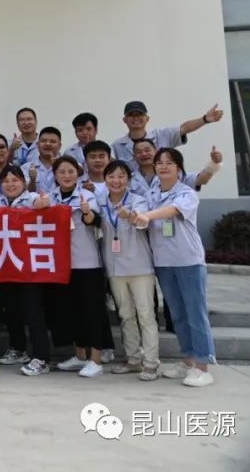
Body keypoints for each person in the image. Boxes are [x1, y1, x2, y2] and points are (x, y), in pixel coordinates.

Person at [133, 148, 216, 387]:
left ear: (179, 169)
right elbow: (140, 213)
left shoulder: (186, 193)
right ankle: (188, 360)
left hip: (188, 260)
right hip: (163, 262)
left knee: (195, 313)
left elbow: (173, 211)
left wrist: (147, 216)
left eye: (169, 163)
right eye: (159, 163)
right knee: (178, 314)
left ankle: (203, 365)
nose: (163, 166)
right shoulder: (152, 193)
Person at [38, 156, 107, 377]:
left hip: (87, 263)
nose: (67, 176)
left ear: (78, 173)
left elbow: (94, 220)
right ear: (55, 175)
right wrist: (41, 206)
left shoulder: (86, 195)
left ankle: (96, 359)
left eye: (70, 171)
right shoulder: (51, 198)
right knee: (71, 311)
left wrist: (86, 212)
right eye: (62, 172)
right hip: (61, 264)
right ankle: (80, 355)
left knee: (91, 311)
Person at [98, 160, 158, 381]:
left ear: (129, 180)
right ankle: (133, 359)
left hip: (139, 266)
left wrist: (131, 215)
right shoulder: (100, 202)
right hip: (114, 267)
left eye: (121, 176)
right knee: (125, 315)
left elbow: (143, 222)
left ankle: (150, 363)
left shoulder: (138, 200)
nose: (116, 181)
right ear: (105, 180)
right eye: (111, 176)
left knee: (146, 315)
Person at [0, 166, 44, 373]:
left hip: (30, 266)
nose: (10, 184)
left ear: (24, 182)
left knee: (33, 311)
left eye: (15, 180)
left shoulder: (32, 198)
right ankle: (18, 349)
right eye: (6, 181)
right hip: (6, 264)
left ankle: (41, 357)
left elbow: (43, 208)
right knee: (11, 310)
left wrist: (43, 205)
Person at [112, 101, 223, 171]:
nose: (136, 118)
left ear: (147, 118)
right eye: (131, 115)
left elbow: (184, 128)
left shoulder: (162, 135)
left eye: (139, 114)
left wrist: (205, 119)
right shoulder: (117, 145)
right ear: (124, 120)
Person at [23, 127, 61, 194]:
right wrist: (33, 180)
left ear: (59, 145)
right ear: (37, 144)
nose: (48, 144)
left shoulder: (68, 165)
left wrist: (57, 168)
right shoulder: (26, 168)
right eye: (43, 141)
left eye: (52, 141)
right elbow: (26, 193)